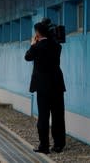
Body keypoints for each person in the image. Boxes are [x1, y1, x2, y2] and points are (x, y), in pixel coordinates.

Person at [25, 22, 66, 154]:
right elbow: (55, 43)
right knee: (58, 116)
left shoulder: (36, 47)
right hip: (57, 85)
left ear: (37, 33)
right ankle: (59, 145)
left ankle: (44, 146)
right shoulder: (56, 46)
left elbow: (27, 57)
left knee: (43, 116)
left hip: (42, 87)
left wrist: (33, 43)